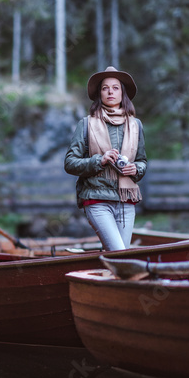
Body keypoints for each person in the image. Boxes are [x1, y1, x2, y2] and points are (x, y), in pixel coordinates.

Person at [64, 66, 147, 251]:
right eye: (105, 88)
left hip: (126, 202)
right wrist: (99, 160)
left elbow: (142, 161)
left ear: (122, 93)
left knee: (120, 258)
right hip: (97, 200)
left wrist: (136, 169)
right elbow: (70, 163)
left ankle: (100, 276)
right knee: (119, 252)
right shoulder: (86, 124)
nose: (110, 91)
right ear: (99, 94)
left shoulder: (135, 125)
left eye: (115, 87)